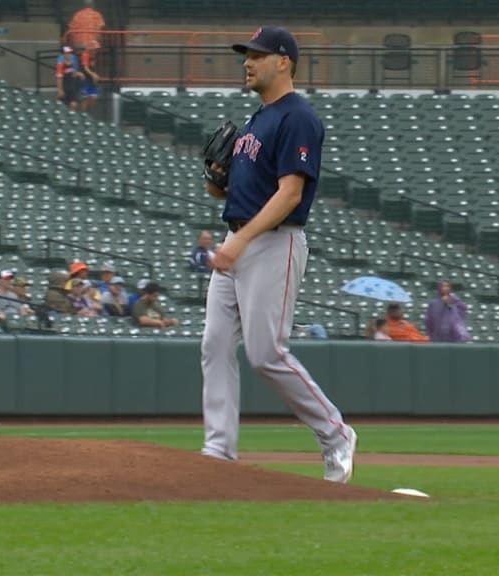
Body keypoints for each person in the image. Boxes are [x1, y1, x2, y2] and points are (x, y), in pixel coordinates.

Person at [198, 27, 357, 483]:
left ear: (283, 61)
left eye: (257, 55)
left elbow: (290, 194)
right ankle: (218, 450)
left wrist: (241, 240)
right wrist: (214, 177)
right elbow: (226, 190)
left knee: (267, 353)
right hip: (240, 239)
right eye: (246, 56)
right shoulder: (254, 122)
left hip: (272, 243)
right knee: (214, 344)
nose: (247, 62)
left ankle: (335, 434)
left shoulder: (297, 118)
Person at [56, 46, 83, 110]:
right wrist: (60, 89)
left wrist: (79, 74)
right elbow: (59, 78)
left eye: (70, 53)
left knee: (74, 104)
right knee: (63, 106)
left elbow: (73, 73)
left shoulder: (72, 63)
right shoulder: (60, 64)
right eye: (67, 53)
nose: (69, 55)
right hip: (64, 86)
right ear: (64, 54)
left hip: (72, 86)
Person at [78, 41, 101, 112]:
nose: (95, 50)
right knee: (85, 98)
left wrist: (95, 76)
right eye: (94, 49)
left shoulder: (93, 56)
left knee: (94, 96)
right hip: (85, 80)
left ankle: (87, 111)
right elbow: (85, 68)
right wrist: (93, 74)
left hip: (91, 80)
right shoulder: (85, 55)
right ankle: (83, 114)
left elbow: (92, 67)